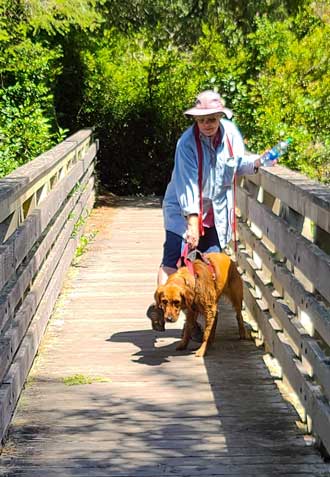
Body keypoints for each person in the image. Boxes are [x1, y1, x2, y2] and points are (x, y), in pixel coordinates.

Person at [147, 90, 263, 333]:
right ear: (195, 121)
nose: (207, 125)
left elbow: (238, 163)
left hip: (217, 211)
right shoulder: (186, 144)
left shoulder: (231, 134)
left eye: (212, 119)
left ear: (221, 116)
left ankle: (199, 321)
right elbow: (188, 184)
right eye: (202, 120)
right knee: (173, 257)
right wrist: (192, 224)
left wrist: (255, 164)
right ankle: (159, 307)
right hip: (182, 209)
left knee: (209, 266)